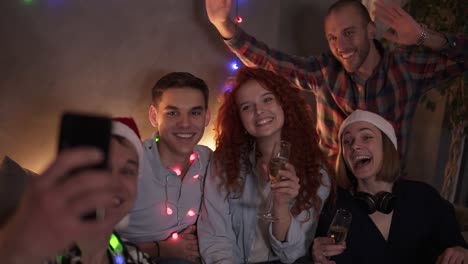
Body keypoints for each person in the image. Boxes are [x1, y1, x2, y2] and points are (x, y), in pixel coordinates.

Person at [205, 0, 468, 166]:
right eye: (332, 38)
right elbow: (270, 62)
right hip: (331, 193)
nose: (340, 47)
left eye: (348, 33)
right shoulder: (324, 71)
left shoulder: (405, 69)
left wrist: (423, 36)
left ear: (371, 31)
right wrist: (224, 25)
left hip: (387, 195)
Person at [197, 67, 331, 263]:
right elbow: (216, 238)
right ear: (239, 118)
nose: (259, 111)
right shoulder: (224, 163)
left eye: (267, 99)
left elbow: (291, 254)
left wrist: (281, 205)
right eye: (246, 107)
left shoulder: (316, 171)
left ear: (284, 104)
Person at [311, 110, 468, 264]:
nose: (354, 146)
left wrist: (460, 251)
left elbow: (458, 246)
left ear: (387, 146)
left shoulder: (424, 196)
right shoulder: (333, 205)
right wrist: (316, 256)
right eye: (347, 141)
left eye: (366, 137)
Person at [0, 117, 152, 263]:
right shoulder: (38, 248)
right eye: (105, 168)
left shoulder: (135, 256)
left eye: (127, 171)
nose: (115, 183)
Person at [118, 72, 212, 263]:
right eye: (172, 113)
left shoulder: (209, 160)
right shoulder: (129, 164)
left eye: (195, 113)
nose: (185, 124)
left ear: (206, 116)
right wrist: (162, 249)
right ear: (154, 116)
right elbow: (89, 241)